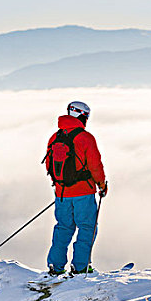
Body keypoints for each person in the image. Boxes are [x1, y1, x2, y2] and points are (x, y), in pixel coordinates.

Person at [44, 101, 108, 275]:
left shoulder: (55, 137)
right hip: (84, 193)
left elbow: (49, 164)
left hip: (62, 193)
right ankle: (80, 267)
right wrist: (101, 185)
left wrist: (60, 186)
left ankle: (55, 267)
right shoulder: (85, 138)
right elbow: (95, 166)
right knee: (87, 228)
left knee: (63, 228)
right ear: (83, 116)